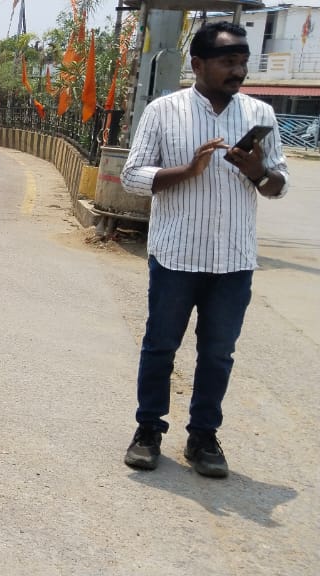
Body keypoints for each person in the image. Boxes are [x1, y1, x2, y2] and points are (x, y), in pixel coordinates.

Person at [120, 22, 289, 479]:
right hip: (177, 256)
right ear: (197, 64)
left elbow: (279, 184)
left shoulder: (260, 114)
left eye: (243, 62)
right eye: (228, 61)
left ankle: (203, 436)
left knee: (218, 354)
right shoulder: (164, 111)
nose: (239, 71)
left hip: (234, 261)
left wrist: (257, 172)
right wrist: (188, 170)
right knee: (160, 346)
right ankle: (148, 430)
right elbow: (132, 176)